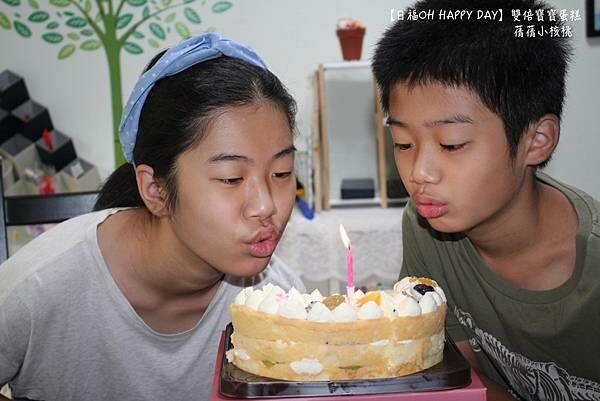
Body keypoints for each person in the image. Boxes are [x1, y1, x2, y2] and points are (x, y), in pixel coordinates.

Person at [0, 33, 305, 401]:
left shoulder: (279, 302)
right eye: (231, 178)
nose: (266, 205)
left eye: (282, 172)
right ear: (156, 190)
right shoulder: (38, 287)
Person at [372, 0, 600, 400]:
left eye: (451, 144)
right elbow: (465, 380)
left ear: (536, 140)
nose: (419, 173)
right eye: (403, 143)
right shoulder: (427, 226)